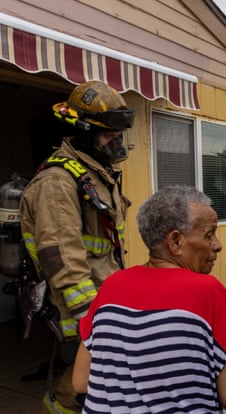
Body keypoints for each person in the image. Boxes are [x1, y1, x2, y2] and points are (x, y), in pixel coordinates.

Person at [72, 185, 226, 412]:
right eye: (209, 235)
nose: (218, 245)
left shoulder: (111, 285)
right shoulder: (205, 292)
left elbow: (80, 381)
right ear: (175, 242)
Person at [19, 80, 135, 414]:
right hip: (79, 307)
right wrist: (90, 316)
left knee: (96, 382)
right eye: (108, 137)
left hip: (104, 299)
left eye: (119, 137)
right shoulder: (57, 181)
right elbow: (60, 254)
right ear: (83, 133)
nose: (117, 145)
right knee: (82, 383)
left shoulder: (95, 173)